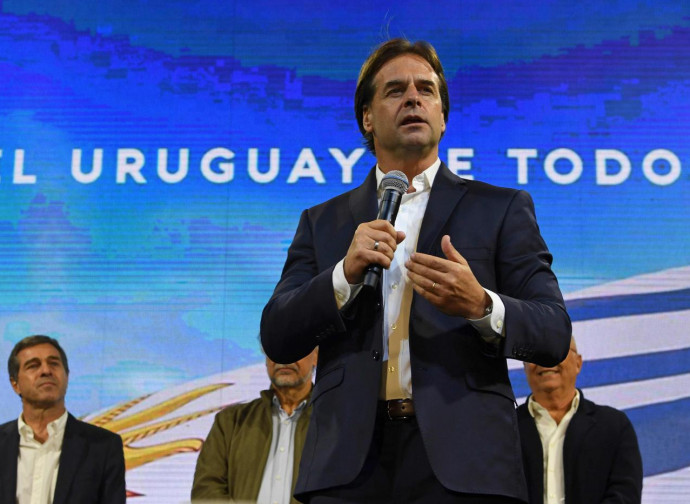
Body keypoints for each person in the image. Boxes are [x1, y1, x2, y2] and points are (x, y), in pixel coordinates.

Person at [261, 38, 571, 503]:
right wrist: (343, 276)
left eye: (426, 90)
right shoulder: (323, 222)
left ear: (442, 116)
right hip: (347, 468)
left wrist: (482, 305)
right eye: (395, 90)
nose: (413, 98)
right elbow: (278, 333)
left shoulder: (501, 209)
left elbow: (553, 333)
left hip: (465, 466)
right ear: (367, 117)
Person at [0, 335, 126, 504]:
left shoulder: (103, 446)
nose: (46, 371)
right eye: (33, 366)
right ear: (15, 384)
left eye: (54, 363)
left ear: (66, 376)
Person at [517, 337, 643, 504]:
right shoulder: (504, 430)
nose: (545, 360)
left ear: (578, 363)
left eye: (556, 350)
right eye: (535, 354)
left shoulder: (615, 427)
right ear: (525, 367)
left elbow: (625, 496)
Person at [191, 348, 318, 503]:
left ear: (316, 357)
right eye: (274, 347)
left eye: (294, 346)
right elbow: (206, 490)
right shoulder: (231, 422)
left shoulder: (336, 424)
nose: (284, 358)